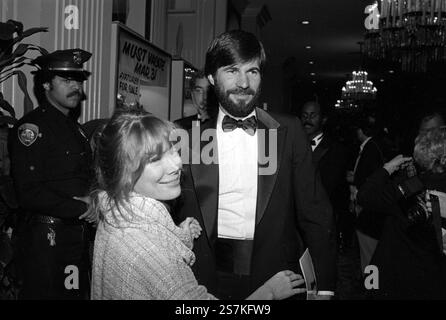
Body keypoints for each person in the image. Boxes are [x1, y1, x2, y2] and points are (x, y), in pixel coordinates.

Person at [174, 30, 336, 300]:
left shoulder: (287, 131)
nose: (243, 83)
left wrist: (326, 285)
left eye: (253, 72)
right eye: (232, 71)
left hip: (276, 276)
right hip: (203, 276)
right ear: (212, 77)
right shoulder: (186, 137)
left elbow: (315, 212)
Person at [90, 109, 305, 300]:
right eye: (155, 159)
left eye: (173, 150)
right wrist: (269, 292)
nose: (176, 164)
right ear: (121, 174)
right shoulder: (149, 250)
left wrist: (178, 235)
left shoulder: (115, 212)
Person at [8, 49, 96, 299]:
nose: (75, 86)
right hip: (47, 240)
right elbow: (28, 192)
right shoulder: (32, 129)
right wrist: (82, 209)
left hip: (75, 238)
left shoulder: (75, 129)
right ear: (46, 84)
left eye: (78, 80)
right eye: (66, 80)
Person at [357, 127, 446, 299]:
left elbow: (365, 196)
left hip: (399, 277)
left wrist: (387, 168)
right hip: (435, 281)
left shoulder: (414, 184)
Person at [300, 101, 350, 245]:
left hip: (321, 222)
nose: (307, 120)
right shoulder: (293, 144)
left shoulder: (336, 150)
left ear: (323, 119)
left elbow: (330, 188)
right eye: (304, 115)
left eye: (313, 115)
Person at [347, 117, 385, 272]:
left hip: (368, 209)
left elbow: (370, 177)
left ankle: (371, 287)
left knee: (369, 257)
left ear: (360, 131)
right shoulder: (370, 146)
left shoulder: (371, 148)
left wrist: (353, 179)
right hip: (366, 207)